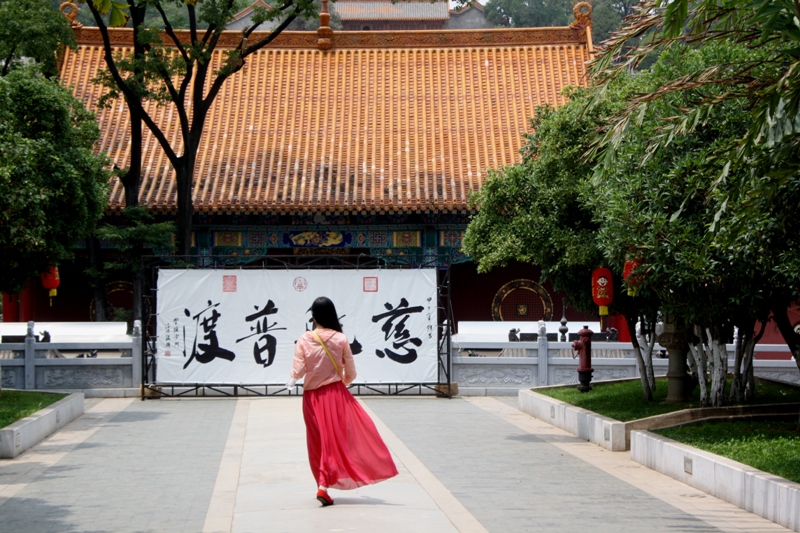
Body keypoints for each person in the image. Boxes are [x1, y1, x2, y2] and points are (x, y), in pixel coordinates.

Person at [287, 296, 398, 506]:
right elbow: (351, 373)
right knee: (335, 441)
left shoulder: (304, 339)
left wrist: (292, 378)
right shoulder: (341, 339)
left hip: (312, 397)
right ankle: (324, 485)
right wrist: (341, 383)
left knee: (318, 442)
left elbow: (299, 370)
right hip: (335, 394)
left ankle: (322, 485)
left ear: (313, 315)